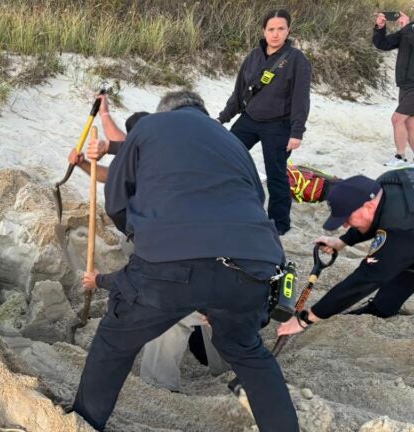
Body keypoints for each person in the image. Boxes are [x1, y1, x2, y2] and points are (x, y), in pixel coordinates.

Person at [72, 90, 297, 431]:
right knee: (249, 352)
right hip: (253, 265)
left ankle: (84, 422)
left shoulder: (150, 127)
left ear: (165, 112)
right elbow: (258, 198)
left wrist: (142, 234)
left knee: (114, 341)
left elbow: (116, 201)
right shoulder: (232, 140)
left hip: (170, 263)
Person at [69, 97, 229, 392]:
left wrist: (99, 280)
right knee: (213, 308)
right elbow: (112, 166)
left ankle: (159, 388)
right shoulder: (199, 149)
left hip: (169, 246)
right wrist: (86, 158)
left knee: (163, 309)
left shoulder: (158, 164)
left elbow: (140, 276)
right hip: (220, 253)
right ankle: (223, 366)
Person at [278, 168, 414, 337]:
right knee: (403, 260)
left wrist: (307, 318)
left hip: (408, 234)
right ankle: (381, 309)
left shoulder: (401, 228)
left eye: (347, 218)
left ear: (368, 205)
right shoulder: (384, 184)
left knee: (393, 261)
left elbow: (364, 280)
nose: (345, 225)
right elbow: (377, 219)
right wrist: (342, 241)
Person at [218, 9, 312, 236]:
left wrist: (297, 131)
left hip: (279, 125)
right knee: (225, 158)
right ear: (264, 31)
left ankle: (278, 225)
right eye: (271, 29)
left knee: (276, 175)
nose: (275, 34)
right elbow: (240, 92)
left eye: (281, 29)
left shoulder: (297, 60)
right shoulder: (253, 56)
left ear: (288, 30)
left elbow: (301, 99)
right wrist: (222, 118)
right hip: (249, 119)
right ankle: (224, 208)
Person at [373, 12, 414, 168]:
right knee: (409, 123)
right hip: (405, 84)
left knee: (397, 119)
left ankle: (400, 157)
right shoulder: (410, 28)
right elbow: (383, 43)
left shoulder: (408, 29)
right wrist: (380, 27)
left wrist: (406, 28)